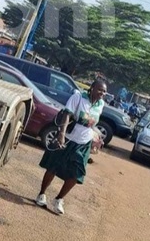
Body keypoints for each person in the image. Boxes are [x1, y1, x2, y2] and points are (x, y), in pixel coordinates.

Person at [35, 79, 106, 215]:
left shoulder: (101, 104)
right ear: (92, 88)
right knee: (53, 166)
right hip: (68, 138)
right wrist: (61, 134)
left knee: (77, 174)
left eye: (104, 91)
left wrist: (97, 137)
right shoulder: (78, 97)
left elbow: (92, 123)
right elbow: (67, 114)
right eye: (99, 90)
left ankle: (59, 199)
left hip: (84, 142)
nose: (102, 93)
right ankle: (41, 194)